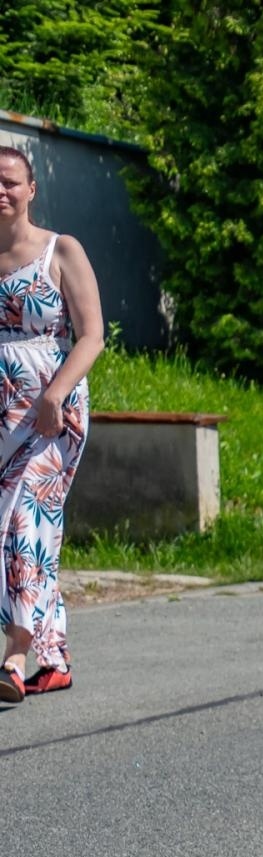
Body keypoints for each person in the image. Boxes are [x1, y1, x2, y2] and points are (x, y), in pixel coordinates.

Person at [0, 146, 104, 702]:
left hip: (49, 412)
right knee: (23, 530)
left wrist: (57, 393)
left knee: (24, 522)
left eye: (10, 181)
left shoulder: (61, 250)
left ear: (31, 189)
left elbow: (91, 335)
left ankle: (14, 658)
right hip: (0, 415)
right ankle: (54, 657)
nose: (1, 190)